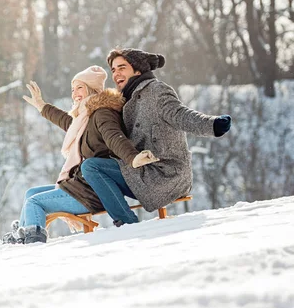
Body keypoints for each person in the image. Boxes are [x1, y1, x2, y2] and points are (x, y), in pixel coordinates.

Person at [0, 66, 159, 249]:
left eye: (79, 87)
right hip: (82, 185)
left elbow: (115, 138)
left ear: (91, 88)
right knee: (31, 193)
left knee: (34, 202)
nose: (74, 93)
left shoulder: (102, 113)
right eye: (72, 89)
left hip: (92, 191)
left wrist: (133, 158)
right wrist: (42, 107)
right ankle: (18, 239)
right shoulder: (85, 118)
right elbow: (68, 123)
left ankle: (31, 246)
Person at [79, 48, 232, 226]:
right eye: (113, 70)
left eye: (122, 68)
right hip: (143, 171)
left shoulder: (156, 91)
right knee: (91, 166)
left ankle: (127, 224)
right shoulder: (125, 99)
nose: (116, 74)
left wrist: (212, 124)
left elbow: (180, 115)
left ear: (137, 70)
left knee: (91, 167)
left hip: (165, 173)